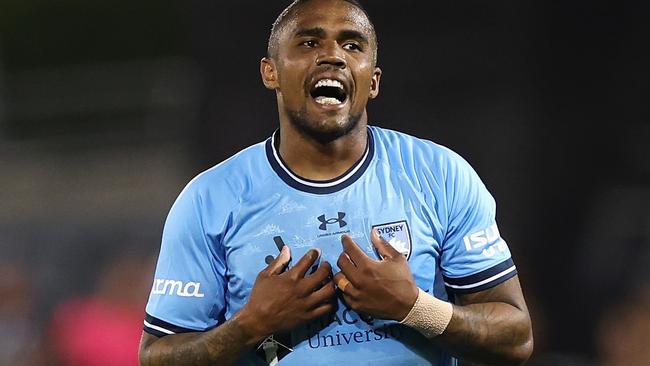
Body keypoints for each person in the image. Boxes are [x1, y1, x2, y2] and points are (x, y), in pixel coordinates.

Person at [139, 0, 533, 365]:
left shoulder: (439, 175)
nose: (332, 56)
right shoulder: (210, 199)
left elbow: (515, 339)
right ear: (270, 71)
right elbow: (157, 356)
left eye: (352, 45)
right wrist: (251, 325)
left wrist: (415, 308)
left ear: (373, 81)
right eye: (309, 42)